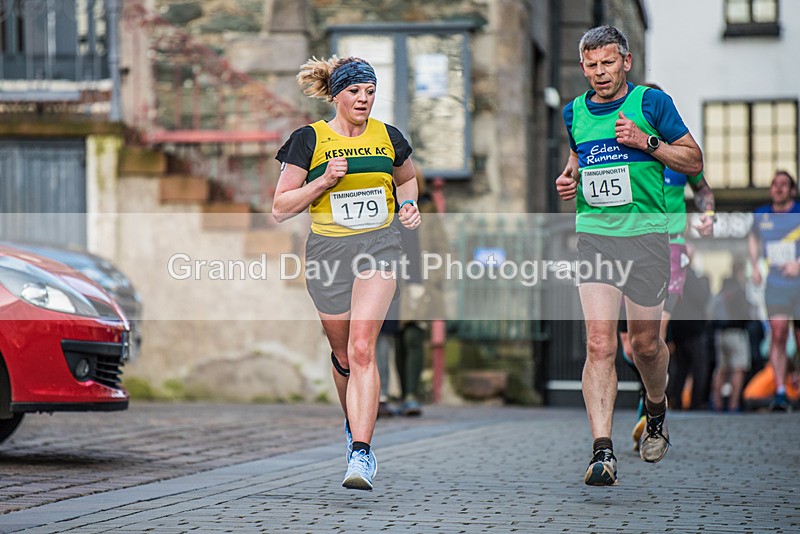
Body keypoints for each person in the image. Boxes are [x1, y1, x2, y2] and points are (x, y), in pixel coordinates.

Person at [555, 26, 705, 486]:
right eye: (592, 65)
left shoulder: (652, 105)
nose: (600, 73)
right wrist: (570, 178)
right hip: (596, 238)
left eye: (608, 63)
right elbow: (582, 159)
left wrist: (647, 143)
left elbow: (693, 161)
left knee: (644, 344)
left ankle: (656, 409)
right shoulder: (573, 112)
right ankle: (603, 451)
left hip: (646, 240)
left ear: (626, 61)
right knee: (599, 344)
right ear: (583, 67)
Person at [273, 56, 421, 490]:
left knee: (361, 348)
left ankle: (361, 453)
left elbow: (407, 180)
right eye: (355, 91)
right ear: (337, 94)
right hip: (328, 252)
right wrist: (321, 183)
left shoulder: (389, 137)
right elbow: (280, 207)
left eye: (371, 91)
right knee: (342, 357)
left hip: (380, 246)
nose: (364, 99)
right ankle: (352, 423)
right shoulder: (308, 140)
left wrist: (409, 205)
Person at [748, 170, 800, 412]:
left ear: (792, 189)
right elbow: (753, 239)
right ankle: (780, 392)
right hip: (776, 287)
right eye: (774, 184)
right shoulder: (761, 215)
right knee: (777, 335)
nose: (778, 188)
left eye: (784, 185)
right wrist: (755, 266)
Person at [709, 260, 753, 412]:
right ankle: (734, 404)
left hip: (720, 333)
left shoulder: (723, 289)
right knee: (738, 369)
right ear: (740, 271)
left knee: (721, 370)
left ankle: (717, 403)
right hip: (736, 332)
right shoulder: (739, 290)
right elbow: (747, 313)